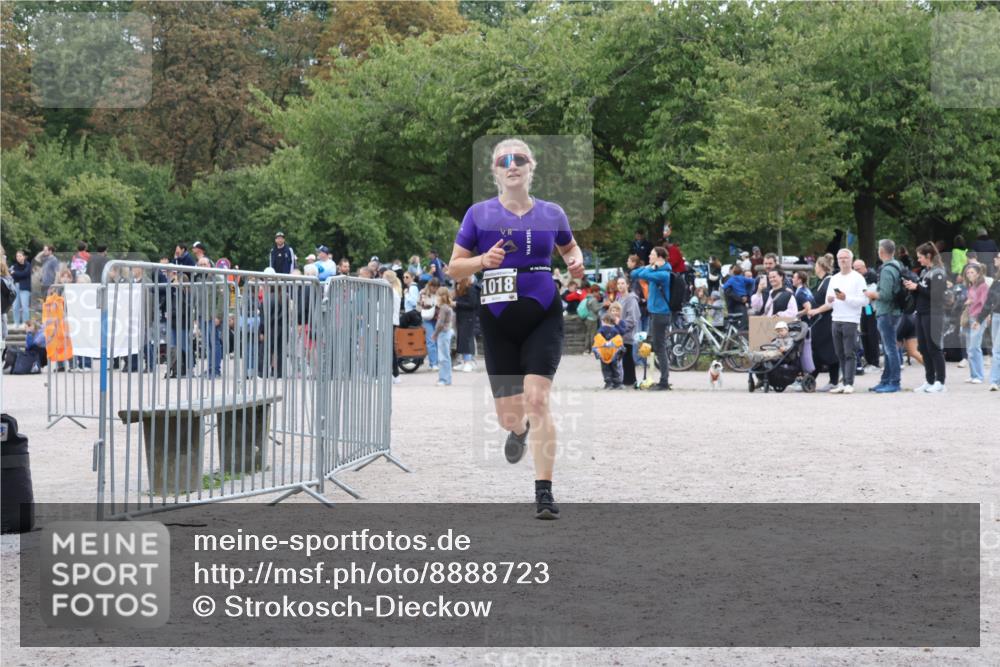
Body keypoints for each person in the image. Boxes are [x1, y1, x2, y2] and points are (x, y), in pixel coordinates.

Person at [446, 137, 585, 520]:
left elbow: (570, 249)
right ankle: (518, 429)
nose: (512, 164)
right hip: (498, 321)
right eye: (503, 160)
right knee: (509, 416)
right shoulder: (478, 214)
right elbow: (452, 267)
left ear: (530, 166)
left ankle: (543, 492)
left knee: (538, 399)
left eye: (519, 158)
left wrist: (575, 262)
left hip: (543, 314)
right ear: (495, 170)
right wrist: (480, 261)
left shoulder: (552, 213)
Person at [903, 242, 948, 392]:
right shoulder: (924, 272)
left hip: (934, 313)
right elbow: (923, 291)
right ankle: (929, 380)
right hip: (921, 313)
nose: (919, 260)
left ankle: (940, 382)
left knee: (934, 347)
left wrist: (918, 287)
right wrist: (913, 287)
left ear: (929, 256)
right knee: (923, 347)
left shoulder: (939, 272)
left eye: (920, 257)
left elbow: (936, 296)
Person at [825, 249, 867, 394]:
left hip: (851, 319)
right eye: (840, 258)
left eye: (845, 258)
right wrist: (830, 300)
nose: (843, 261)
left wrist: (846, 298)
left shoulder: (858, 278)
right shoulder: (834, 278)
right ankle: (843, 382)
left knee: (850, 352)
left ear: (851, 260)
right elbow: (828, 300)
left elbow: (865, 300)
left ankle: (849, 382)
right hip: (836, 318)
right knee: (839, 352)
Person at [630, 246, 672, 390]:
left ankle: (664, 381)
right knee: (653, 345)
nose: (649, 256)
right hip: (654, 313)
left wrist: (651, 268)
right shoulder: (655, 269)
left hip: (661, 314)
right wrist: (650, 266)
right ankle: (657, 378)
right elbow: (634, 273)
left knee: (659, 347)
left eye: (652, 254)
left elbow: (644, 276)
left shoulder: (664, 274)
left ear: (659, 257)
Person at [865, 239, 905, 393]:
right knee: (890, 348)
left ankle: (894, 382)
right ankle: (886, 380)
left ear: (881, 252)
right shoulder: (896, 265)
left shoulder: (887, 269)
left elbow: (886, 294)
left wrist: (871, 293)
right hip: (892, 312)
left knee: (890, 349)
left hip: (887, 312)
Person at [973, 253, 1000, 390]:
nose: (995, 258)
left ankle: (994, 381)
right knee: (997, 350)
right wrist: (979, 319)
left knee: (997, 350)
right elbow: (989, 302)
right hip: (996, 317)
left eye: (998, 257)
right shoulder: (996, 281)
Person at [962, 263, 988, 384]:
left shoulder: (983, 286)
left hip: (978, 319)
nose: (969, 275)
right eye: (968, 273)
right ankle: (973, 375)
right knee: (969, 348)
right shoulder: (971, 286)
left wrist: (980, 320)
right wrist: (969, 301)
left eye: (972, 272)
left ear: (978, 273)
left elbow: (984, 303)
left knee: (974, 347)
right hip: (970, 317)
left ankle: (979, 375)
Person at [853, 258, 881, 373]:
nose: (857, 271)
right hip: (864, 309)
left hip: (871, 309)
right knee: (864, 334)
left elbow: (872, 294)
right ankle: (869, 360)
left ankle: (874, 362)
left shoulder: (871, 276)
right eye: (855, 269)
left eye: (858, 269)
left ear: (864, 267)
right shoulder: (857, 278)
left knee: (872, 335)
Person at [614, 275, 641, 387]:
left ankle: (630, 380)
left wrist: (622, 328)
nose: (620, 286)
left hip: (627, 333)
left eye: (622, 283)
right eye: (618, 284)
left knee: (627, 357)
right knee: (621, 357)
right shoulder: (618, 298)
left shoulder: (631, 299)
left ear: (627, 285)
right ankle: (624, 379)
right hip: (618, 333)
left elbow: (633, 318)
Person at [593, 311, 626, 389]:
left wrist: (604, 344)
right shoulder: (615, 330)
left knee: (606, 368)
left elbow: (597, 339)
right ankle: (617, 383)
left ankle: (609, 383)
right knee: (615, 367)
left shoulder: (601, 330)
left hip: (604, 352)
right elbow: (619, 340)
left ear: (604, 321)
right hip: (614, 353)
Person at [381, 268, 403, 384]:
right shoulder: (393, 291)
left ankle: (394, 373)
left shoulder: (391, 292)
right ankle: (394, 373)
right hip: (390, 321)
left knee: (389, 349)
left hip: (389, 322)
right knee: (389, 349)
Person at [454, 277, 480, 372]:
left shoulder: (471, 289)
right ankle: (464, 362)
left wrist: (457, 304)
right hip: (461, 317)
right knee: (461, 339)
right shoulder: (460, 288)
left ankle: (468, 362)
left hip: (469, 317)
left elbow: (472, 304)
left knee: (467, 339)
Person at [431, 286, 456, 386]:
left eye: (437, 296)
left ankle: (443, 379)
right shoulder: (448, 307)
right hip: (447, 331)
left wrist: (435, 334)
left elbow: (440, 323)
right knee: (446, 356)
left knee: (443, 357)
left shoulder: (443, 308)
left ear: (441, 296)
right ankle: (447, 379)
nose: (436, 298)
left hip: (443, 333)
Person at [418, 277, 440, 370]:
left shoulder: (440, 293)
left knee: (438, 341)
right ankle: (433, 363)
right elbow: (420, 304)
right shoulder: (423, 292)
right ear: (430, 285)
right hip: (427, 318)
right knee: (431, 341)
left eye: (436, 287)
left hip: (438, 318)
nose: (434, 289)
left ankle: (438, 362)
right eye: (433, 286)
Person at [723, 261, 754, 327]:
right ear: (730, 270)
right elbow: (729, 292)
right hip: (736, 304)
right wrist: (741, 299)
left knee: (737, 324)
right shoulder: (729, 278)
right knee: (740, 324)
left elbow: (725, 287)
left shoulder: (731, 279)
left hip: (736, 303)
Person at [10, 250, 32, 327]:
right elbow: (12, 276)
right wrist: (16, 274)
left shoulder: (28, 265)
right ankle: (16, 323)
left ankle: (25, 323)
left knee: (24, 306)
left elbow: (25, 274)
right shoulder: (14, 266)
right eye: (17, 256)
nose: (18, 258)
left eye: (20, 256)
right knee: (15, 306)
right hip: (15, 287)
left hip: (25, 288)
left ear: (24, 257)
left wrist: (15, 273)